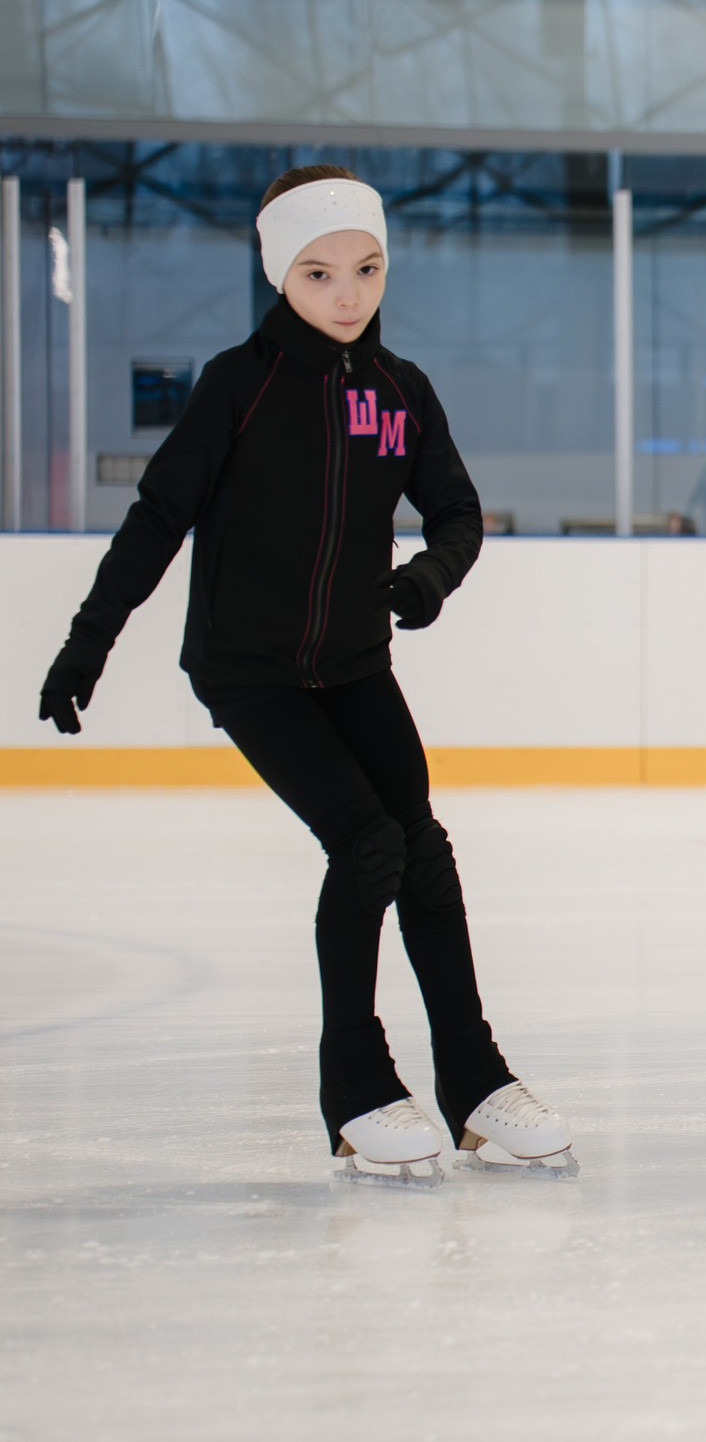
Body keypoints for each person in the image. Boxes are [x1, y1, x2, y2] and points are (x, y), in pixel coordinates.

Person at [37, 164, 572, 1186]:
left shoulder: (400, 393)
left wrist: (428, 576)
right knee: (366, 840)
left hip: (353, 663)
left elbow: (457, 512)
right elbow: (158, 517)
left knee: (421, 843)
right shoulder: (239, 386)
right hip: (250, 672)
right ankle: (356, 1086)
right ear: (281, 273)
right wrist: (88, 640)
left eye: (366, 268)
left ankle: (473, 1075)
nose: (347, 293)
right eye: (320, 271)